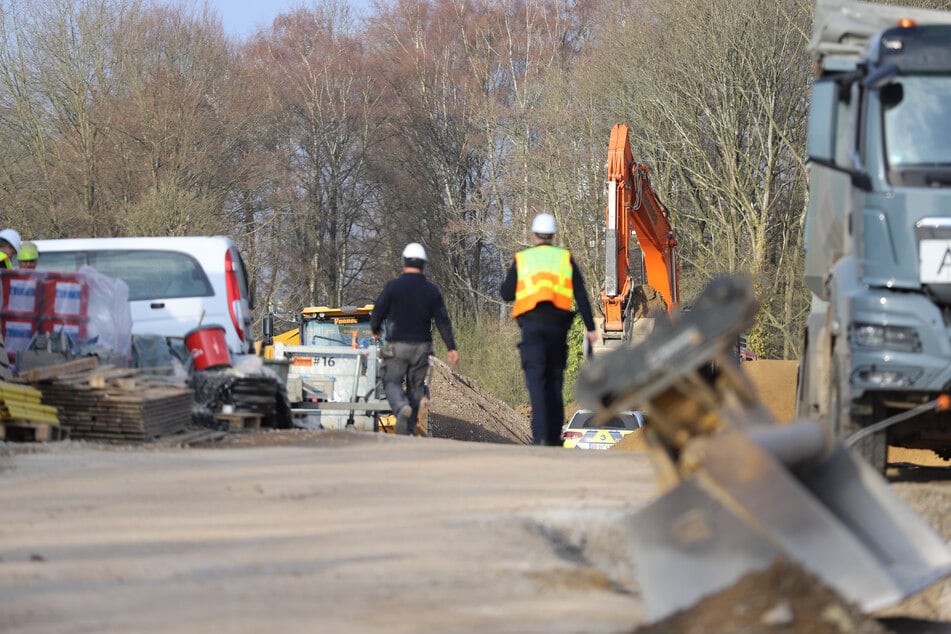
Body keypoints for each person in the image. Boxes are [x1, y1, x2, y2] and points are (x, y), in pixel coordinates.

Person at [500, 213, 597, 446]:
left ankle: (540, 436)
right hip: (558, 329)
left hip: (532, 329)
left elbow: (505, 293)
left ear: (533, 235)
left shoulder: (523, 259)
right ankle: (553, 438)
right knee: (554, 382)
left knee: (536, 383)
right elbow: (581, 295)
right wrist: (591, 327)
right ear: (554, 235)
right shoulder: (565, 258)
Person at [370, 242, 459, 435]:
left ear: (404, 262)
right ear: (423, 264)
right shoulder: (431, 290)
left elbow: (378, 311)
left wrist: (375, 329)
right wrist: (451, 347)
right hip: (422, 347)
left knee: (391, 381)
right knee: (416, 387)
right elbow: (443, 321)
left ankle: (401, 406)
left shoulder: (393, 287)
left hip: (398, 346)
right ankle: (408, 429)